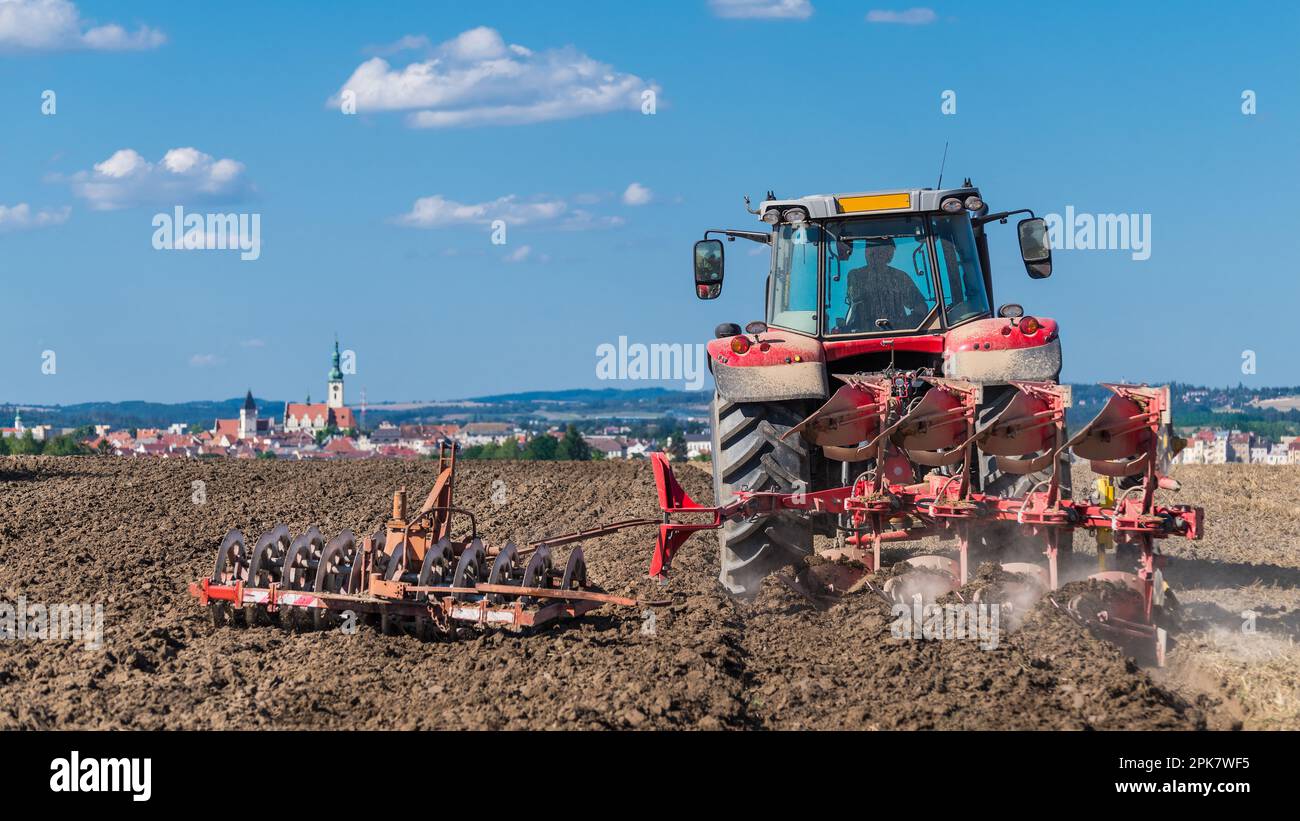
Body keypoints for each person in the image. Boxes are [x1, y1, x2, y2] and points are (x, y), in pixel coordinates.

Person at [844, 236, 930, 331]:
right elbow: (854, 306)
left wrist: (903, 326)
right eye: (870, 251)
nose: (874, 255)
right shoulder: (855, 276)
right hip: (863, 337)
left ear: (890, 254)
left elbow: (921, 308)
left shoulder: (900, 277)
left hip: (897, 337)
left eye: (881, 251)